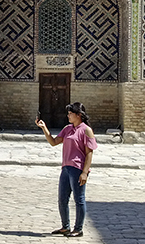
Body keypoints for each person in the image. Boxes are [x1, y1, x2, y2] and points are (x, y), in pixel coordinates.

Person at [36, 101, 98, 238]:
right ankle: (65, 226)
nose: (68, 116)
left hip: (78, 169)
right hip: (66, 168)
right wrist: (44, 128)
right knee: (62, 199)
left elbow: (89, 153)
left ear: (79, 115)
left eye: (70, 114)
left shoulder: (86, 130)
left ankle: (78, 229)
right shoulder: (67, 128)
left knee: (79, 199)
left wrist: (84, 172)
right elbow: (53, 142)